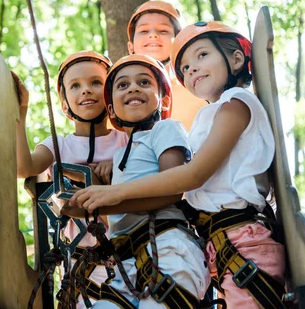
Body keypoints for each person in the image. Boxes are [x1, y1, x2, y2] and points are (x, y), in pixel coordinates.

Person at [71, 21, 287, 308]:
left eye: (201, 55)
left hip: (242, 239)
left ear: (236, 59)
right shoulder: (207, 118)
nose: (192, 69)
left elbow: (192, 175)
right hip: (221, 242)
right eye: (184, 67)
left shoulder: (235, 104)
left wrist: (113, 195)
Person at [72, 54, 209, 308]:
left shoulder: (166, 129)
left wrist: (108, 201)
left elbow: (173, 189)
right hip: (125, 262)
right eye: (123, 85)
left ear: (164, 100)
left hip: (167, 247)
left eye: (144, 82)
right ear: (111, 108)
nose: (134, 87)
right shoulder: (120, 154)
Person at [13, 50, 128, 307]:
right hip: (79, 263)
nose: (85, 90)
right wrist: (21, 114)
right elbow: (24, 167)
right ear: (64, 104)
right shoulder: (59, 146)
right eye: (75, 86)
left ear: (110, 94)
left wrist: (119, 165)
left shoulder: (126, 141)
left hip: (128, 256)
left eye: (95, 83)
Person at [127, 0, 206, 130]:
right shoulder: (116, 99)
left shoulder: (197, 93)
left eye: (163, 30)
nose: (153, 35)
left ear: (178, 44)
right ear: (131, 47)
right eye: (144, 30)